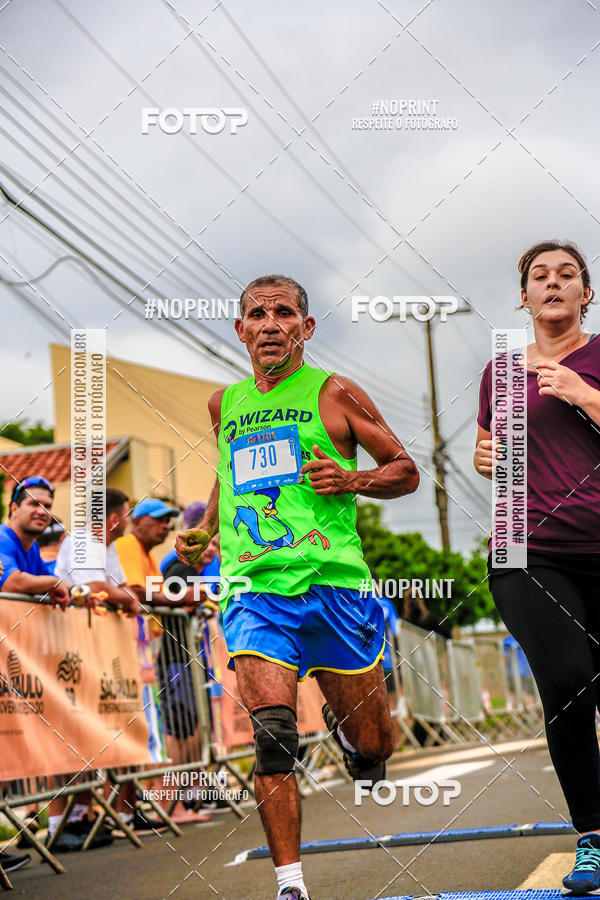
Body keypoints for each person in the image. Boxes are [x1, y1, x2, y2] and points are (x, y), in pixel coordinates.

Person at [176, 274, 419, 900]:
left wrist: (351, 479)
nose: (270, 324)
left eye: (285, 313)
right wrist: (204, 530)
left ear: (306, 329)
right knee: (275, 734)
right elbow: (229, 474)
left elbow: (405, 470)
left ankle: (358, 744)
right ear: (241, 331)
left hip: (337, 588)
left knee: (373, 746)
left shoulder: (335, 392)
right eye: (257, 314)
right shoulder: (222, 404)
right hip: (256, 590)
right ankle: (291, 885)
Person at [474, 241, 600, 896]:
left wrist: (583, 393)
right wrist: (486, 458)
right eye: (539, 277)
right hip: (527, 550)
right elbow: (485, 448)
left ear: (587, 293)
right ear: (522, 296)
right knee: (570, 680)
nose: (553, 283)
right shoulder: (501, 371)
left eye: (567, 275)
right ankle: (592, 837)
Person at [0, 477, 69, 608]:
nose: (42, 511)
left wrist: (77, 591)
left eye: (47, 506)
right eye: (34, 504)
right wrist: (55, 582)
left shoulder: (33, 547)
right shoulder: (2, 537)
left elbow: (45, 580)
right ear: (14, 508)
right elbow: (13, 584)